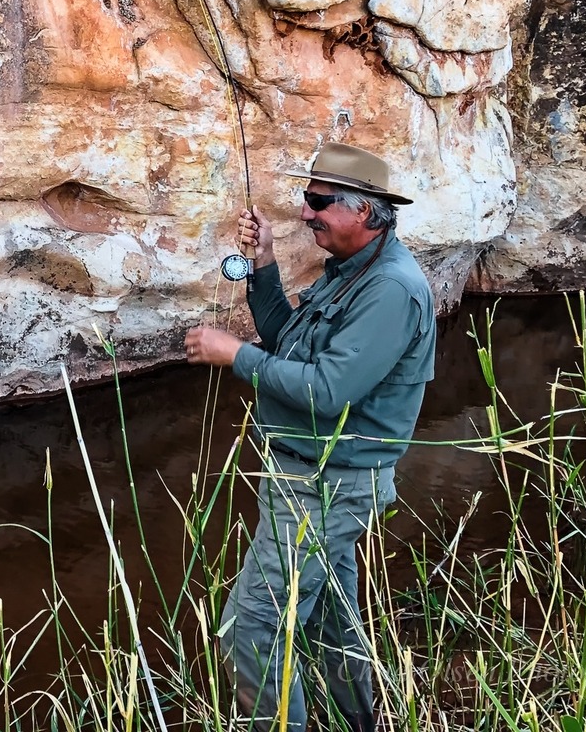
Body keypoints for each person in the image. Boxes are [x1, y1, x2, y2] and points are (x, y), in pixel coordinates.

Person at [183, 144, 436, 732]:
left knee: (252, 627)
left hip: (327, 486)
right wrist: (265, 264)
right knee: (328, 620)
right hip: (309, 477)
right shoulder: (351, 272)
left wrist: (234, 355)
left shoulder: (391, 290)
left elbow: (327, 390)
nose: (305, 212)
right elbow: (288, 340)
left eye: (319, 202)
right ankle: (360, 721)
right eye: (308, 199)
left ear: (366, 212)